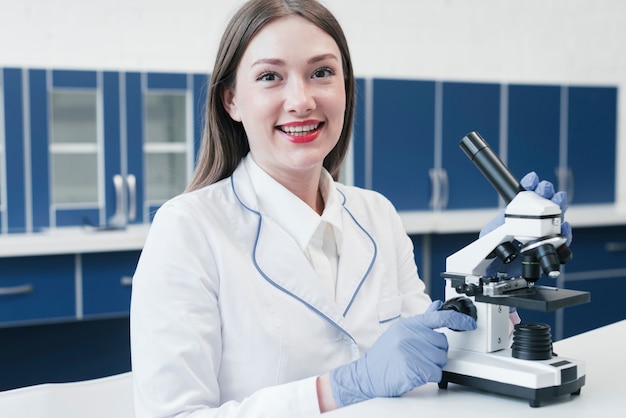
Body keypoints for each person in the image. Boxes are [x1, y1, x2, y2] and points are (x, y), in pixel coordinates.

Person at [129, 0, 567, 416]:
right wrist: (341, 387)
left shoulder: (377, 214)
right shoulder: (188, 229)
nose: (301, 100)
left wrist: (490, 269)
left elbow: (431, 353)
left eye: (321, 72)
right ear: (231, 101)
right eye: (270, 77)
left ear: (344, 89)